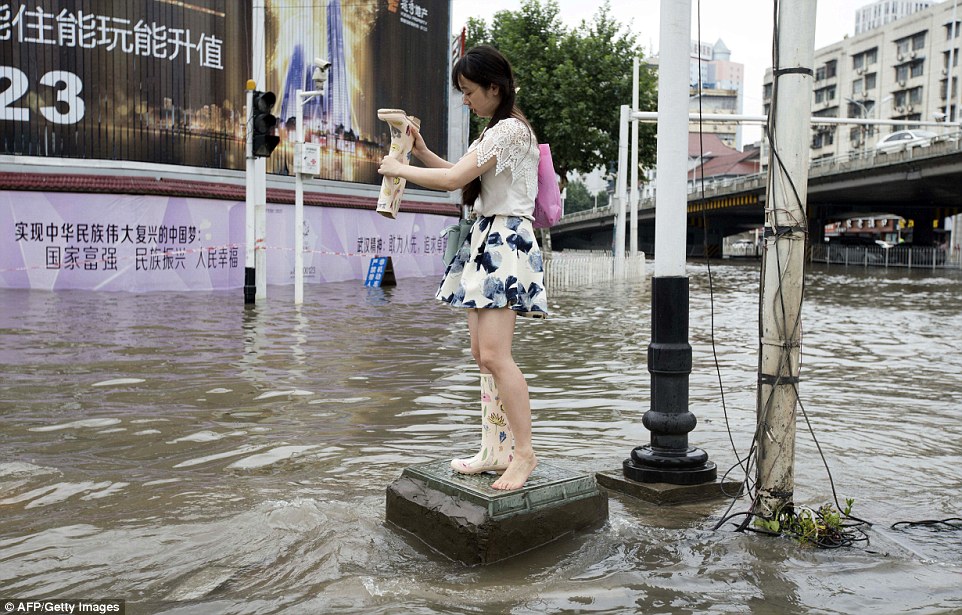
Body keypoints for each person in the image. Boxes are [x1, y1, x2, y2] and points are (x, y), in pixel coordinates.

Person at [378, 45, 547, 491]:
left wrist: (399, 168)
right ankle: (496, 448)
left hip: (505, 239)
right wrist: (422, 152)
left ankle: (523, 454)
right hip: (489, 237)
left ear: (495, 88)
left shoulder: (509, 131)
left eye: (470, 91)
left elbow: (453, 181)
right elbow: (458, 173)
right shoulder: (495, 132)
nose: (466, 100)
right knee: (482, 355)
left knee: (494, 355)